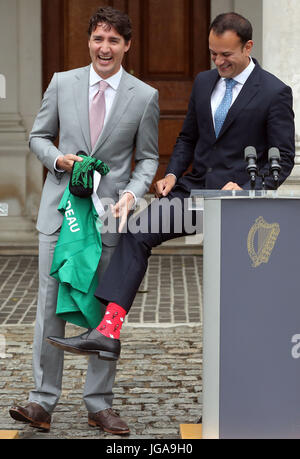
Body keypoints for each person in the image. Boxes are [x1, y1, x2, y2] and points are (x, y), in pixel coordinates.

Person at [47, 9, 295, 397]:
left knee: (234, 297)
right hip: (191, 193)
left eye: (226, 55)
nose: (218, 62)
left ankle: (238, 394)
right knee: (136, 231)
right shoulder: (202, 82)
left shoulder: (275, 92)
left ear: (248, 47)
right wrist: (173, 174)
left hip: (240, 206)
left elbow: (283, 159)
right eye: (213, 54)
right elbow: (186, 139)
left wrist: (245, 185)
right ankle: (108, 331)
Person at [9, 6, 159, 435]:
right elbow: (38, 136)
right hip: (60, 215)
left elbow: (147, 158)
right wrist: (58, 158)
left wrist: (132, 192)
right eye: (98, 38)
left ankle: (99, 402)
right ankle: (41, 401)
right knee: (49, 307)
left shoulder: (144, 96)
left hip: (109, 217)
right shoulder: (62, 83)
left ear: (127, 45)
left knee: (103, 311)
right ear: (89, 41)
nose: (104, 47)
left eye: (114, 40)